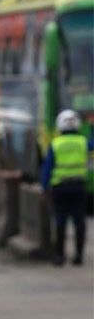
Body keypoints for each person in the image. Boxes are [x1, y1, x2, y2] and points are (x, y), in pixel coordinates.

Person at [40, 109, 92, 266]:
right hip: (78, 187)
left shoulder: (55, 144)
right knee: (79, 222)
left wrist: (44, 188)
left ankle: (59, 256)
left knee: (60, 221)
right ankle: (78, 256)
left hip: (60, 188)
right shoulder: (83, 142)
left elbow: (47, 169)